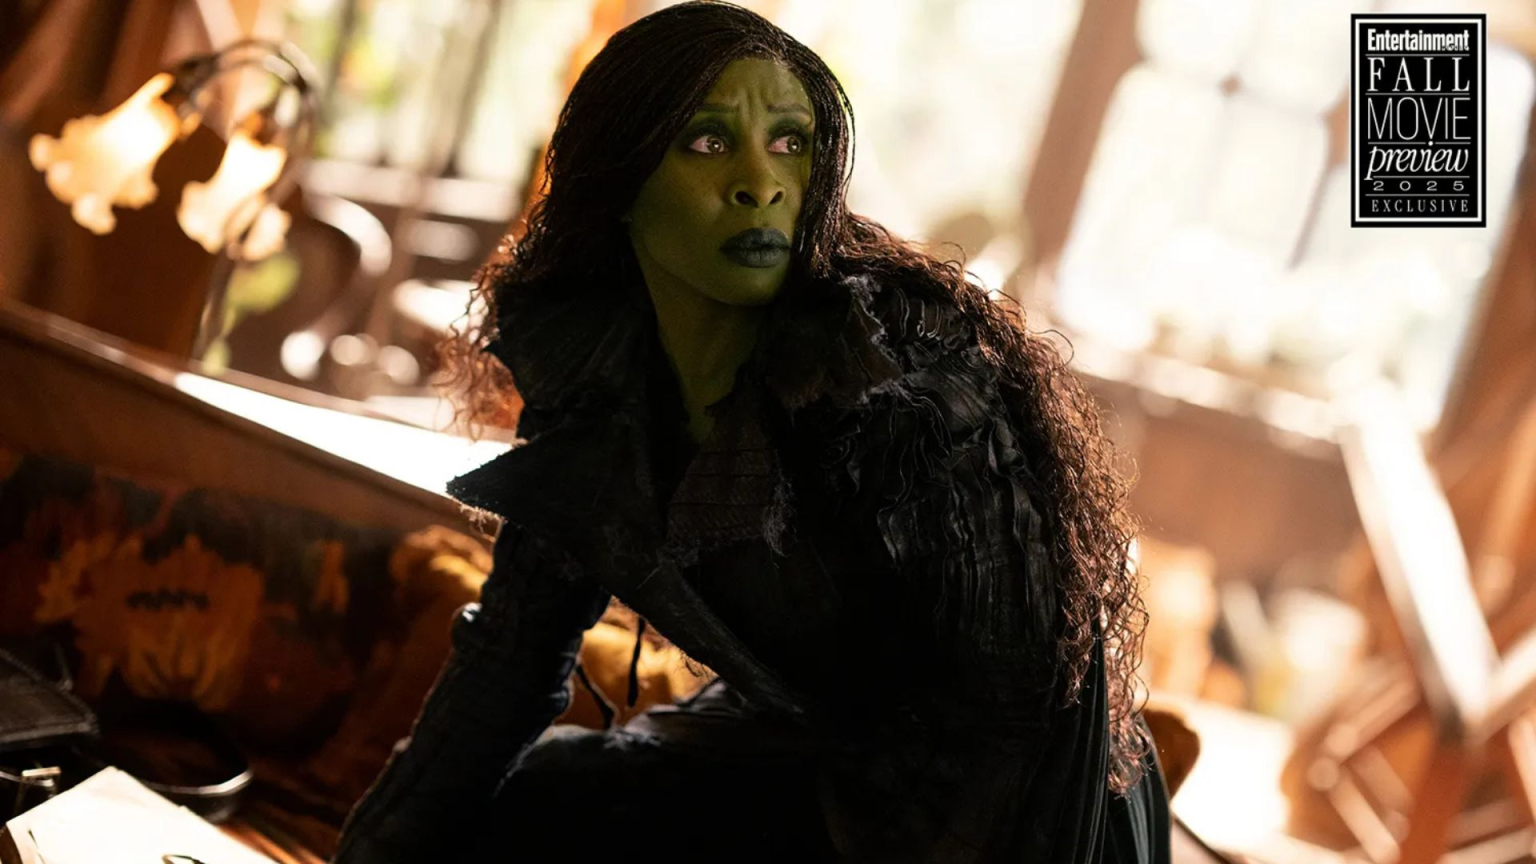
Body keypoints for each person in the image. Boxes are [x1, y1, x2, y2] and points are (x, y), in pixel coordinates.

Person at [333, 2, 1171, 861]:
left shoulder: (903, 379)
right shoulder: (597, 375)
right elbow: (508, 662)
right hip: (806, 751)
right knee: (535, 806)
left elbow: (1010, 720)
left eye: (789, 143)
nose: (761, 184)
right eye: (708, 141)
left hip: (1023, 810)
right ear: (619, 175)